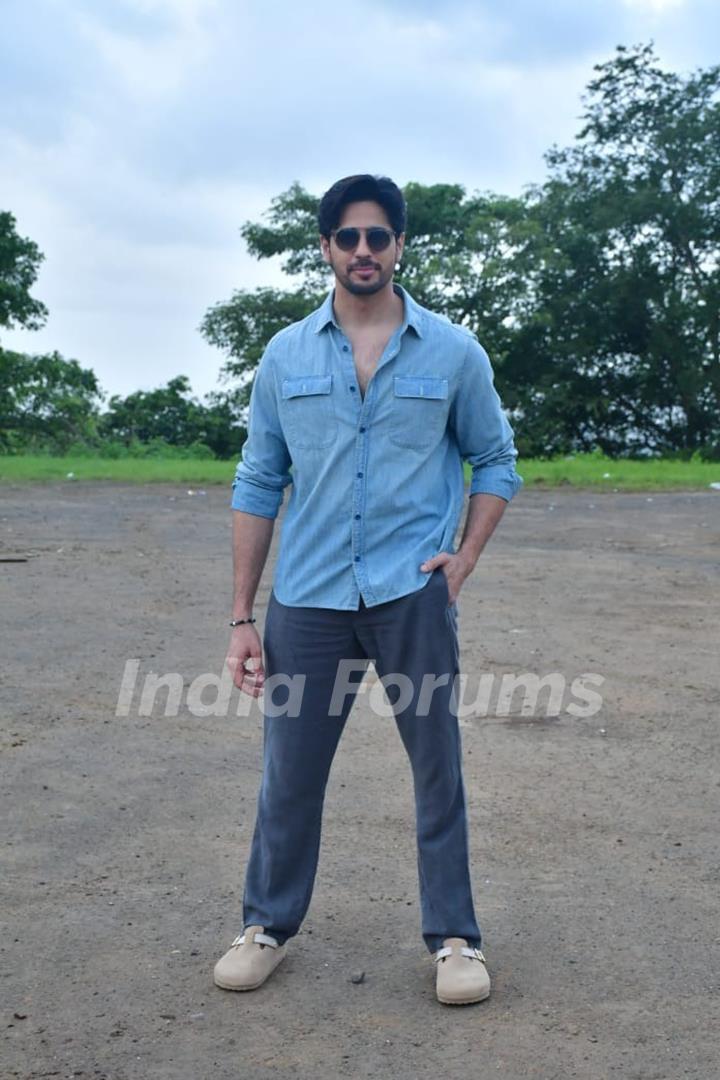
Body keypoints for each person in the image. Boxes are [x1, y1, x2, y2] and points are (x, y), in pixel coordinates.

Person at [212, 174, 523, 1006]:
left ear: (398, 247)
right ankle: (266, 924)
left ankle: (455, 940)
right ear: (325, 248)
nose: (362, 251)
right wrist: (243, 614)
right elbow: (257, 478)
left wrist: (462, 559)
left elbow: (495, 461)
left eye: (377, 237)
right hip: (307, 599)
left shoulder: (454, 352)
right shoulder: (286, 355)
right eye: (346, 237)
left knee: (436, 769)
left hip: (408, 596)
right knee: (290, 772)